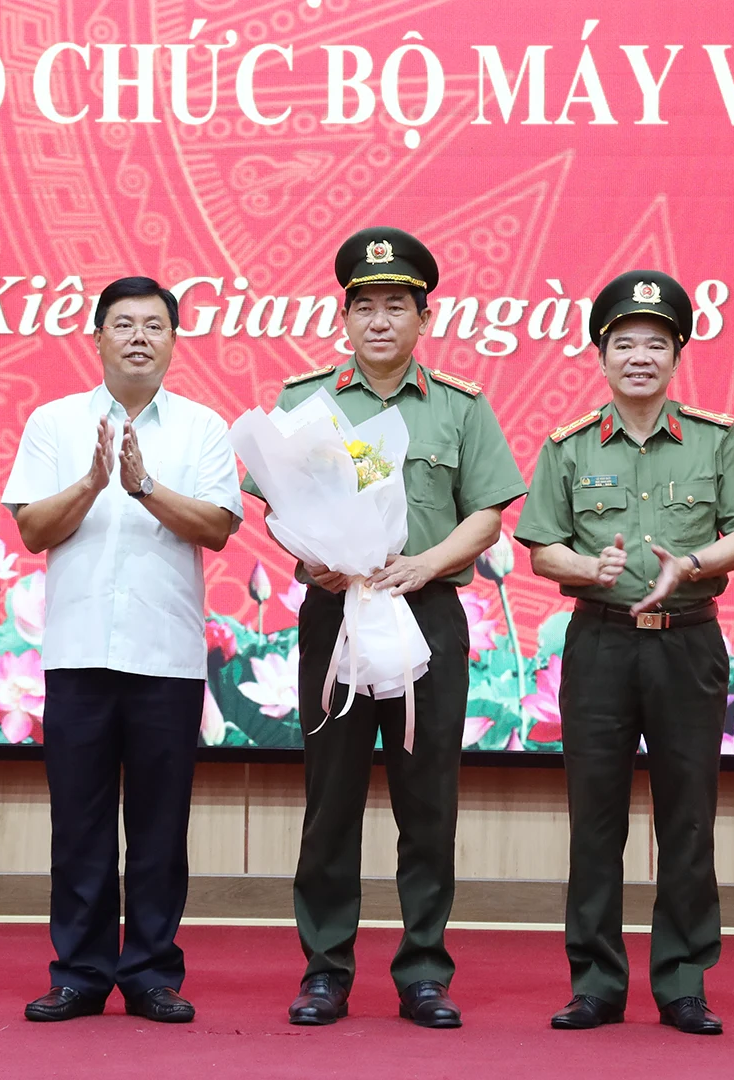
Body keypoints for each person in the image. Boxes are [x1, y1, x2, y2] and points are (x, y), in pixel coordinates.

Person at [245, 229, 527, 1029]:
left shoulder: (461, 407)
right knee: (330, 797)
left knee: (427, 800)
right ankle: (326, 969)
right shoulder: (307, 402)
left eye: (395, 306)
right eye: (363, 305)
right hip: (335, 612)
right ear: (344, 316)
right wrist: (308, 563)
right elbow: (273, 509)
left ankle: (424, 972)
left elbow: (486, 513)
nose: (378, 320)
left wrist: (429, 562)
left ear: (423, 317)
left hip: (425, 613)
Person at [514, 271, 734, 1037]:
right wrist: (583, 569)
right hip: (598, 642)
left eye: (654, 343)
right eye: (623, 343)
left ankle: (683, 981)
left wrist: (690, 565)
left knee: (687, 816)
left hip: (688, 644)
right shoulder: (566, 447)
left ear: (677, 354)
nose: (638, 357)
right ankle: (595, 982)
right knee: (596, 819)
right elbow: (540, 550)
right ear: (601, 354)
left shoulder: (716, 440)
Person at [1, 276, 244, 1025]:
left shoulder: (203, 428)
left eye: (154, 326)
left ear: (173, 341)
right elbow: (35, 530)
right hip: (76, 656)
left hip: (166, 659)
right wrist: (93, 482)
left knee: (160, 828)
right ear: (97, 338)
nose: (139, 337)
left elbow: (216, 526)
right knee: (78, 823)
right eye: (123, 325)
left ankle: (149, 972)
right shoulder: (54, 422)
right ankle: (78, 973)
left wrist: (141, 488)